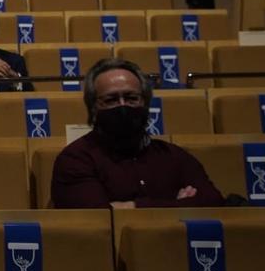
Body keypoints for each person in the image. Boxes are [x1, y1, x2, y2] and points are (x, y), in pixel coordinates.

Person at [51, 58, 224, 208]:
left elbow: (214, 203)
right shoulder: (76, 159)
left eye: (131, 98)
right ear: (94, 108)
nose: (122, 105)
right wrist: (176, 205)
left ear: (145, 103)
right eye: (111, 100)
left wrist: (131, 207)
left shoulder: (174, 156)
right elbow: (96, 219)